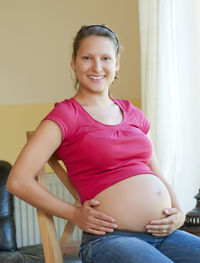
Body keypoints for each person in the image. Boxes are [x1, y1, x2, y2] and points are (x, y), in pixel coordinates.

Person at [7, 24, 200, 263]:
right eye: (87, 58)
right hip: (110, 240)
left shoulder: (133, 114)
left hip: (164, 235)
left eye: (105, 58)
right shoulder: (67, 115)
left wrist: (179, 212)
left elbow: (156, 173)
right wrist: (74, 213)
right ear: (73, 63)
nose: (97, 67)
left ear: (116, 63)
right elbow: (18, 181)